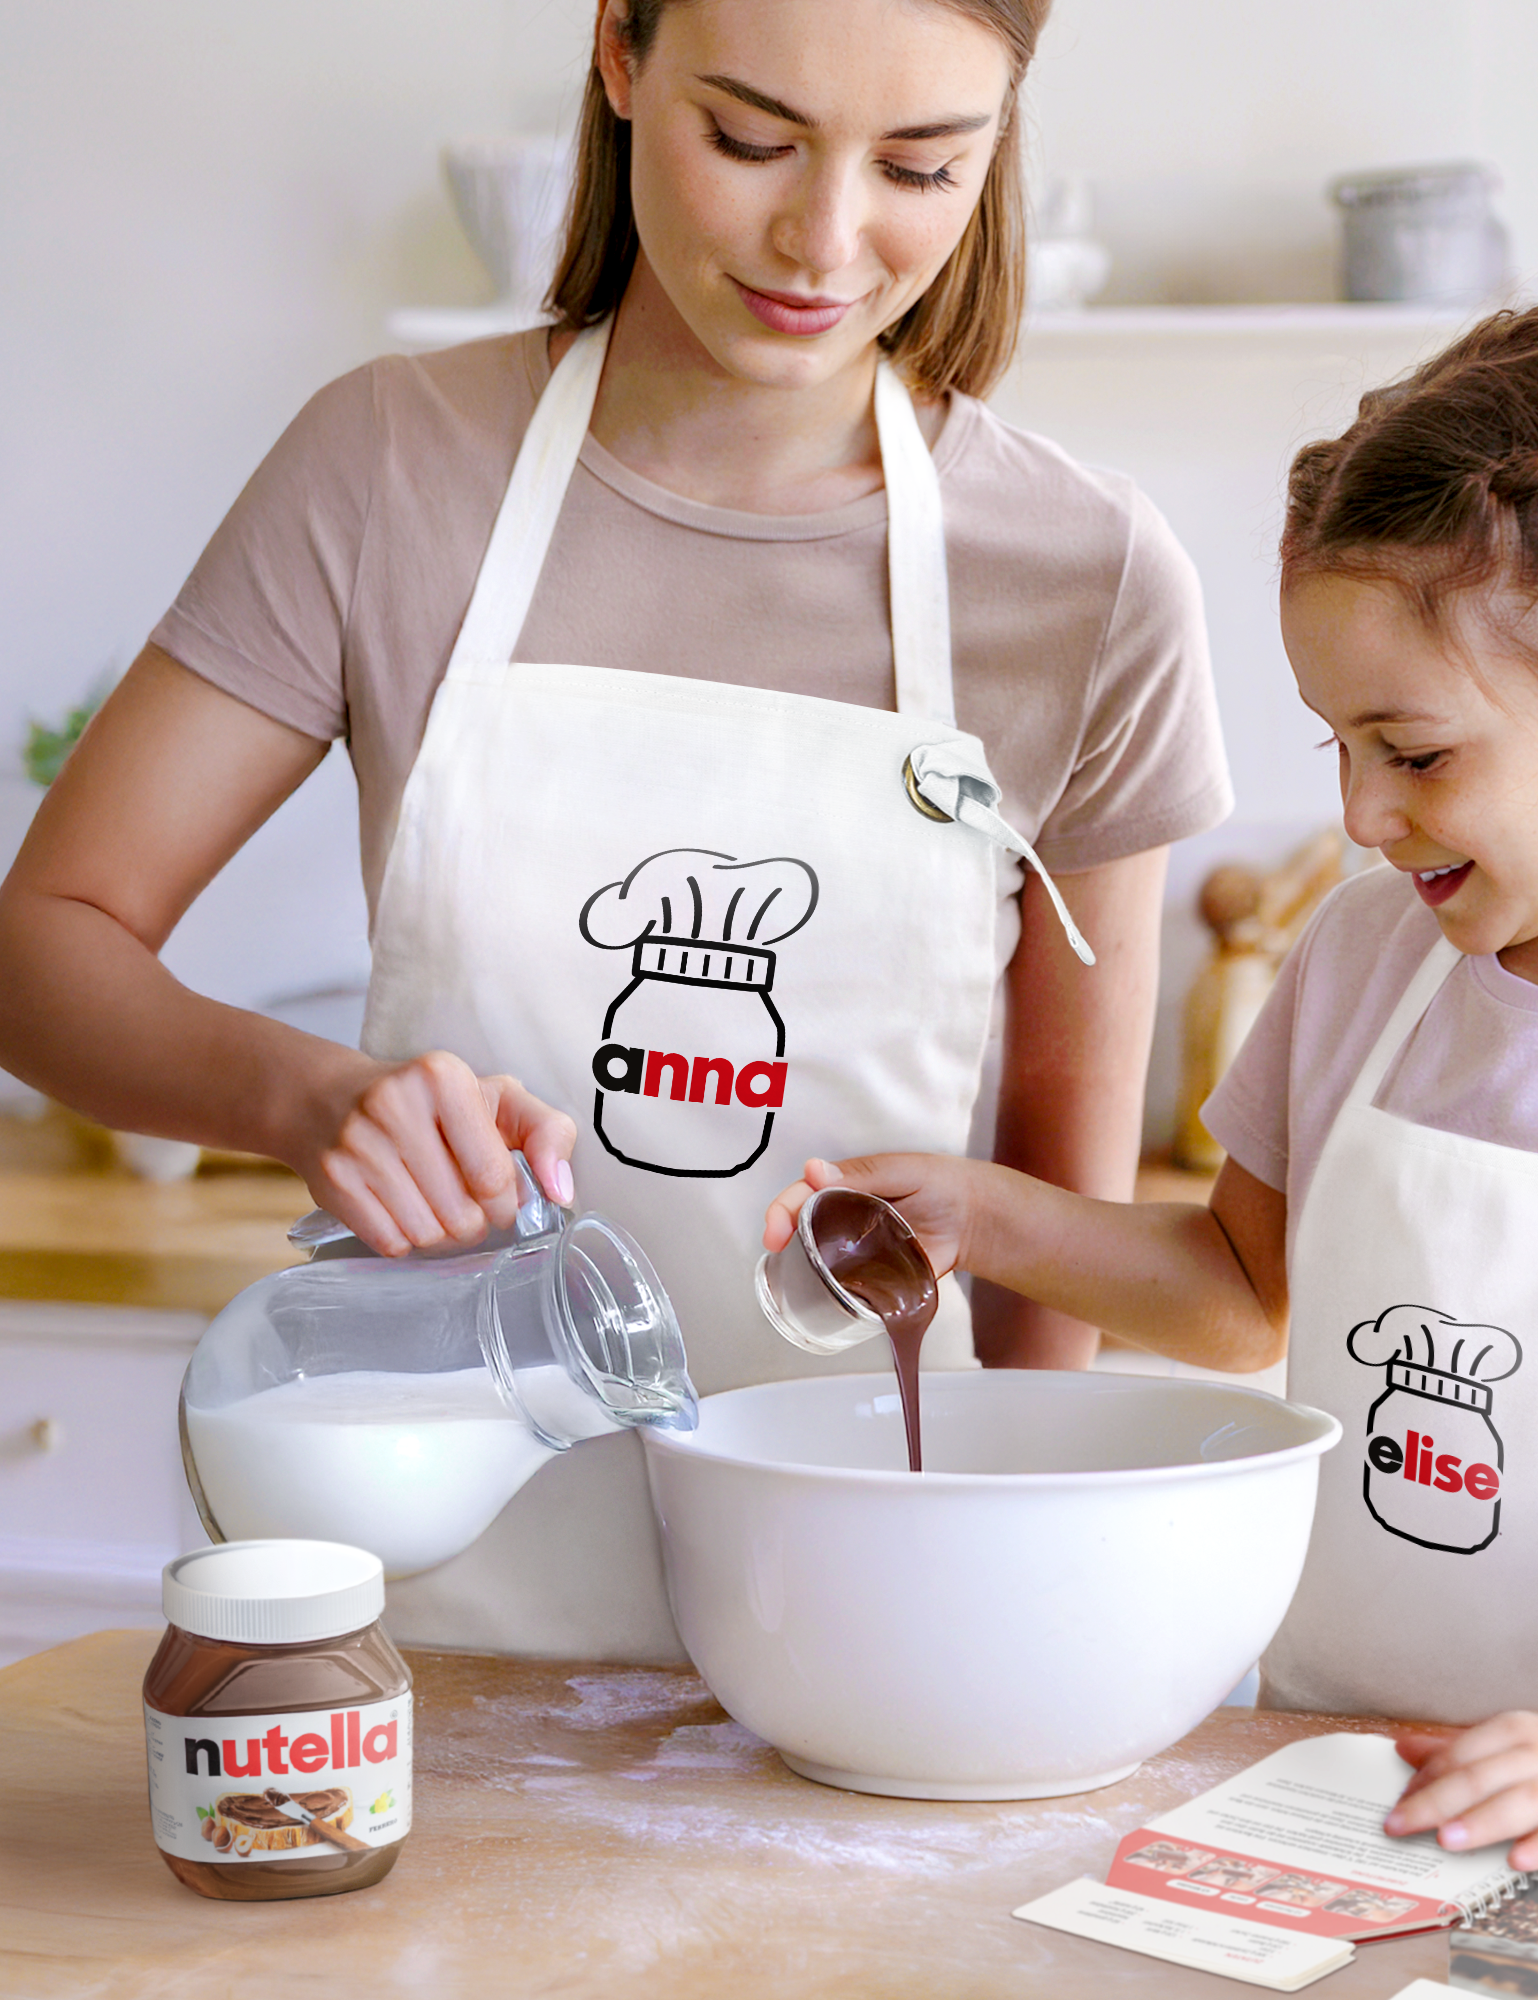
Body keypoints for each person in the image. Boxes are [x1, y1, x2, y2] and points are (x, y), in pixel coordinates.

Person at [0, 0, 1230, 1658]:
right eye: (749, 137)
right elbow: (44, 946)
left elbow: (1052, 1203)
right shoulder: (389, 469)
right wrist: (309, 1101)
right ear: (620, 56)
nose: (825, 238)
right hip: (433, 1593)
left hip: (865, 1595)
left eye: (923, 168)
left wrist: (973, 1591)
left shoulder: (1086, 579)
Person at [764, 302, 1538, 1868]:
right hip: (1317, 1799)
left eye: (1412, 752)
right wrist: (984, 1216)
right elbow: (1243, 1292)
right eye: (1334, 744)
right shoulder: (1358, 964)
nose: (1358, 813)